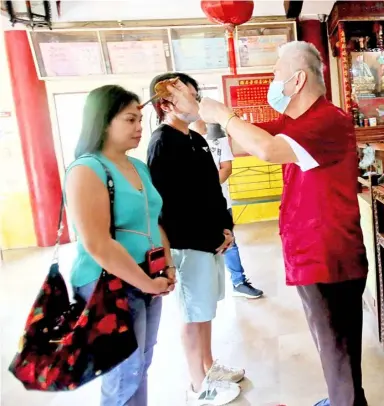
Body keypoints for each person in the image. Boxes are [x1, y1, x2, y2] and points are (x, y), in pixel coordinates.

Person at [164, 41, 369, 406]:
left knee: (338, 344)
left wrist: (225, 115)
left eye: (276, 73)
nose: (272, 81)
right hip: (309, 250)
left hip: (329, 253)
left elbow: (267, 150)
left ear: (297, 80)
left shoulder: (329, 120)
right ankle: (343, 399)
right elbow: (241, 142)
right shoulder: (296, 122)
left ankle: (347, 402)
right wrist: (199, 113)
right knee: (330, 341)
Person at [65, 85, 176, 406]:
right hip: (108, 284)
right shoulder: (87, 169)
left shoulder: (138, 166)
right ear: (103, 122)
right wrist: (147, 282)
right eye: (130, 120)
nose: (140, 127)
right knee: (122, 373)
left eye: (140, 119)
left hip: (149, 279)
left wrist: (166, 266)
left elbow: (153, 221)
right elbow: (98, 243)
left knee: (141, 364)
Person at [147, 73, 245, 405]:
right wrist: (207, 234)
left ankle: (209, 366)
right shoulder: (162, 143)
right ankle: (197, 385)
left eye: (195, 92)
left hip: (210, 241)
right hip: (187, 245)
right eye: (189, 94)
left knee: (205, 310)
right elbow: (167, 206)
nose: (196, 99)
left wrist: (226, 227)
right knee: (192, 314)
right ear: (166, 103)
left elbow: (211, 191)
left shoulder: (196, 138)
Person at [188, 120, 264, 299]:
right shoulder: (181, 136)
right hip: (194, 204)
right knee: (199, 246)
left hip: (220, 201)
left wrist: (208, 190)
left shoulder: (216, 132)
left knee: (229, 242)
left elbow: (226, 168)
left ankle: (238, 282)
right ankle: (202, 288)